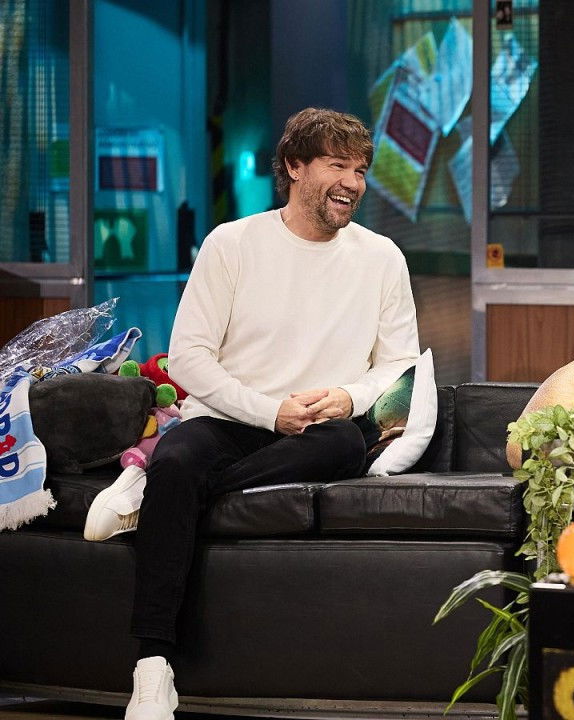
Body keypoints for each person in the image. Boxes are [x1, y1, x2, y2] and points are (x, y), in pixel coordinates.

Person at [82, 108, 419, 720]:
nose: (353, 183)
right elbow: (189, 356)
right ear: (294, 166)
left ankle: (156, 491)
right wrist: (268, 411)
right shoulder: (232, 243)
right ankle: (153, 668)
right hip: (227, 419)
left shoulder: (382, 257)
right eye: (337, 166)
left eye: (361, 171)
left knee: (345, 444)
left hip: (316, 431)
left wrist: (348, 397)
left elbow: (398, 367)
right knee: (180, 460)